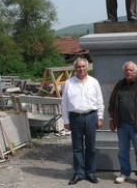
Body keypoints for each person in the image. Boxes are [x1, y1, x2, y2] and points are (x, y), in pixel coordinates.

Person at [108, 61, 137, 188]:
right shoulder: (119, 85)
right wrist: (111, 120)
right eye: (126, 70)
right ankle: (124, 173)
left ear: (135, 71)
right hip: (122, 125)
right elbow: (111, 103)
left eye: (131, 70)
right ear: (123, 72)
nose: (128, 72)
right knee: (122, 151)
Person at [61, 57, 104, 185]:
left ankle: (90, 172)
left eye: (83, 66)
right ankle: (78, 173)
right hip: (75, 118)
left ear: (87, 67)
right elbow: (64, 103)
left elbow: (99, 101)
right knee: (77, 148)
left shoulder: (94, 82)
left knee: (90, 147)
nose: (81, 69)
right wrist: (66, 120)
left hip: (91, 117)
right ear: (75, 69)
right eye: (78, 67)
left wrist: (100, 117)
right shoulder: (69, 83)